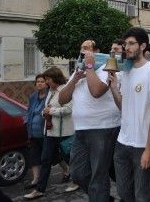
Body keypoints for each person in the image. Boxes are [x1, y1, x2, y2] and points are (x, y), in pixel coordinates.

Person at [58, 39, 121, 202]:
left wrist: (90, 66)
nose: (82, 51)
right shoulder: (79, 70)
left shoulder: (109, 66)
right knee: (78, 173)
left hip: (103, 128)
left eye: (87, 48)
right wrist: (74, 79)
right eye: (81, 48)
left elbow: (97, 91)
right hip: (81, 129)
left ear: (96, 51)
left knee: (98, 176)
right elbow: (62, 99)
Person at [108, 27, 150, 202]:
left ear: (143, 45)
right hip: (122, 142)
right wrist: (114, 88)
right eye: (125, 44)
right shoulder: (126, 71)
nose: (127, 48)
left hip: (142, 145)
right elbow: (123, 107)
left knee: (143, 196)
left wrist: (148, 149)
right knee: (124, 193)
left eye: (131, 43)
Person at [24, 67, 75, 199]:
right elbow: (44, 109)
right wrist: (44, 112)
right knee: (45, 160)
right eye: (45, 80)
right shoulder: (50, 92)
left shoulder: (65, 89)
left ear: (55, 78)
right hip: (50, 131)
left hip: (64, 132)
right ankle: (39, 189)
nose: (46, 82)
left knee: (69, 158)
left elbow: (69, 109)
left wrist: (50, 112)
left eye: (48, 79)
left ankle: (77, 180)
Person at [24, 74, 49, 189]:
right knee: (34, 156)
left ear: (47, 83)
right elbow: (29, 111)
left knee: (51, 156)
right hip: (33, 132)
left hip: (45, 132)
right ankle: (36, 179)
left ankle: (66, 170)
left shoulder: (50, 95)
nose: (39, 83)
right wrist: (26, 122)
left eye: (42, 81)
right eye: (37, 81)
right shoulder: (33, 96)